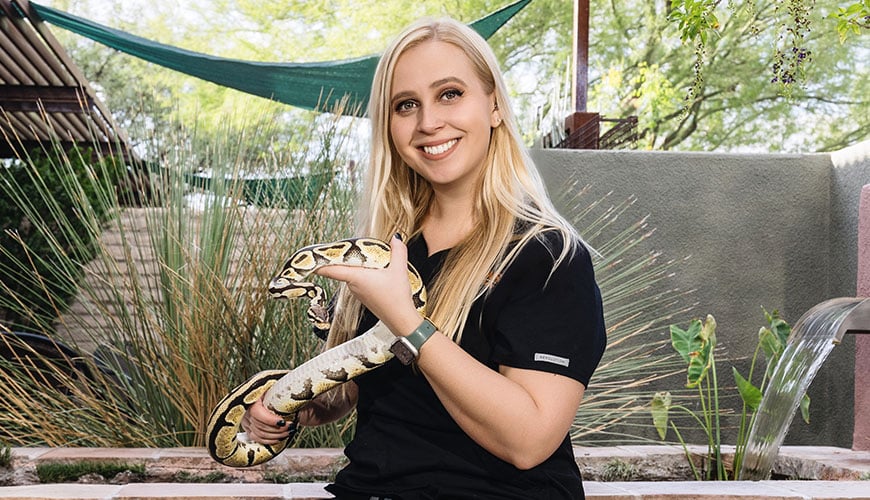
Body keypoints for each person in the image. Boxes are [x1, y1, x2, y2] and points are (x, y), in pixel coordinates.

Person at [243, 15, 607, 500]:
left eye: (450, 94)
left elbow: (530, 440)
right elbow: (352, 391)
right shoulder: (389, 251)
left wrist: (406, 322)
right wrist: (289, 409)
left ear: (494, 106)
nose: (428, 122)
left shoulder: (548, 256)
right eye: (406, 104)